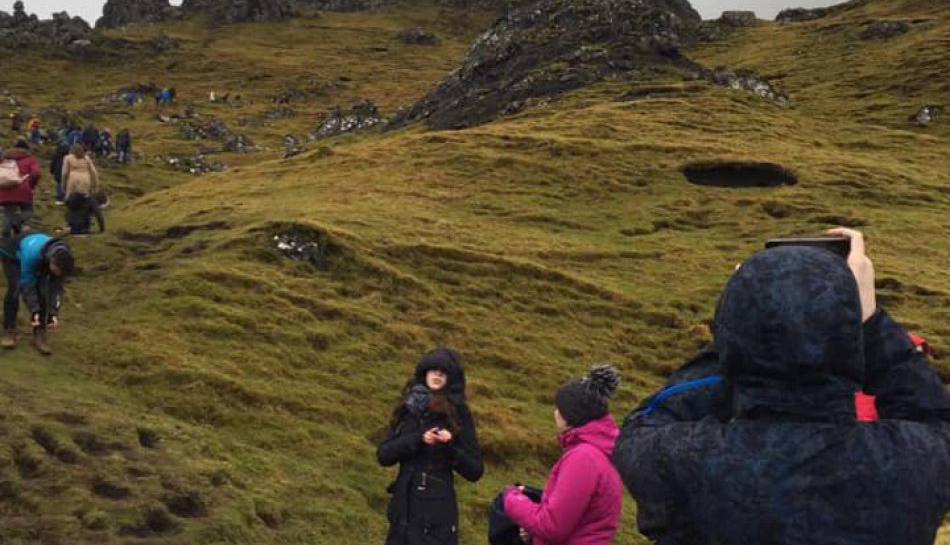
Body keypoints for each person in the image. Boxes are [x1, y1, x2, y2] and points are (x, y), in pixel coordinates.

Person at [613, 229, 950, 545]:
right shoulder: (915, 463)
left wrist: (744, 317)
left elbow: (645, 423)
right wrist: (872, 323)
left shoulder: (682, 463)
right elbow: (934, 415)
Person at [503, 365, 623, 545]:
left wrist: (511, 499)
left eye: (559, 408)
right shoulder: (600, 451)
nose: (555, 413)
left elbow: (551, 526)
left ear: (571, 416)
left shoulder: (583, 458)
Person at [377, 348, 484, 545]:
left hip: (436, 521)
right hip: (402, 515)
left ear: (451, 378)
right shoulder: (408, 408)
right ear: (424, 372)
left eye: (444, 372)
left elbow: (475, 470)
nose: (438, 374)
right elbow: (383, 455)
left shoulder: (458, 413)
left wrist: (449, 446)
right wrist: (418, 439)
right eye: (433, 369)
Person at [0, 233, 74, 354]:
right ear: (52, 262)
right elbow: (27, 285)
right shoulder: (32, 256)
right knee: (15, 288)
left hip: (40, 256)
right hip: (12, 254)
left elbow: (56, 289)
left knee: (43, 291)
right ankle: (9, 330)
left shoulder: (64, 259)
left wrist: (53, 314)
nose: (56, 274)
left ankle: (40, 333)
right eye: (55, 271)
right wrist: (34, 310)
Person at [0, 140, 40, 237]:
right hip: (23, 188)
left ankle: (5, 237)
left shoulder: (5, 158)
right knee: (28, 210)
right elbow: (36, 173)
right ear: (26, 149)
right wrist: (30, 184)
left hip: (6, 188)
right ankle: (18, 221)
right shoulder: (30, 160)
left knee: (8, 213)